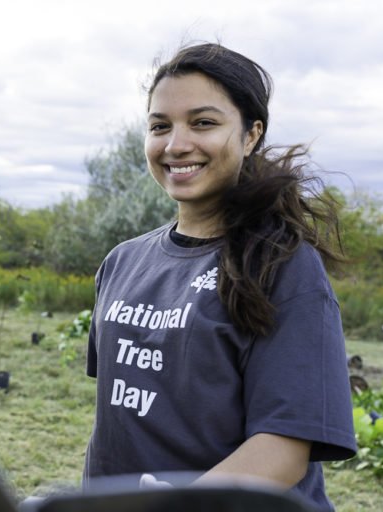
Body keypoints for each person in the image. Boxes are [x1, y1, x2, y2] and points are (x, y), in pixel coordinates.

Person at [83, 43, 356, 511]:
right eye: (159, 126)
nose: (176, 144)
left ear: (251, 135)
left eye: (203, 123)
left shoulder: (282, 266)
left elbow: (284, 448)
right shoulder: (122, 262)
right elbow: (122, 418)